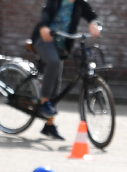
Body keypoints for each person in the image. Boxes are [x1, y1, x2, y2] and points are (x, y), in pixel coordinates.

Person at [30, 0, 101, 141]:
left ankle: (49, 125)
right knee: (54, 62)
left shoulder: (80, 3)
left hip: (60, 47)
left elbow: (92, 16)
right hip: (44, 40)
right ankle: (44, 101)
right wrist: (44, 27)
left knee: (56, 84)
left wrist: (94, 24)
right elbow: (46, 13)